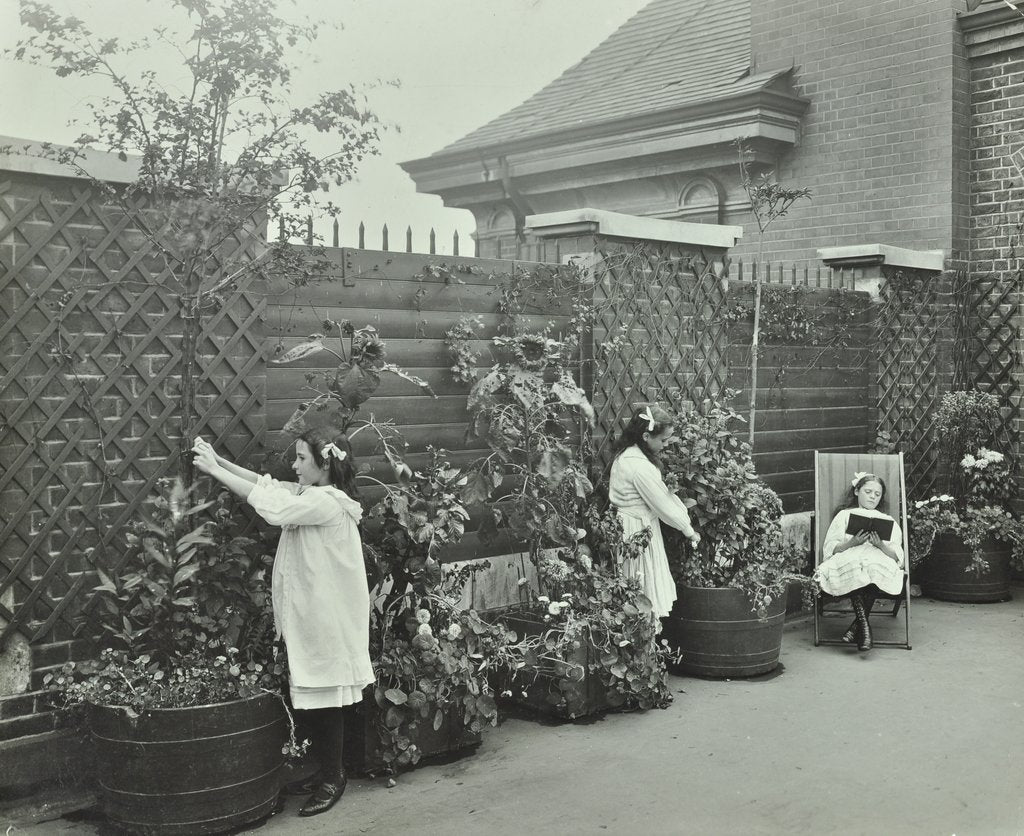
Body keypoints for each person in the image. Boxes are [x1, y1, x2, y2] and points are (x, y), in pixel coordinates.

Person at [191, 428, 373, 817]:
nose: (294, 464)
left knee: (328, 697)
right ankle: (326, 769)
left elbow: (272, 505)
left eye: (302, 458)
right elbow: (266, 485)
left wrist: (215, 471)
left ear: (325, 464)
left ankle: (333, 777)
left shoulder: (328, 502)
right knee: (318, 694)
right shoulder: (313, 494)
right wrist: (218, 462)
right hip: (315, 612)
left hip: (329, 616)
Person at [607, 404, 700, 621]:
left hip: (628, 529)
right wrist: (689, 531)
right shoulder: (640, 467)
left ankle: (642, 645)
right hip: (637, 533)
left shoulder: (626, 456)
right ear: (646, 436)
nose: (666, 445)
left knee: (633, 589)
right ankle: (645, 646)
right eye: (664, 440)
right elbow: (664, 505)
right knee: (643, 590)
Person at [815, 471, 905, 651]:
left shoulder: (888, 520)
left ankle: (859, 627)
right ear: (857, 491)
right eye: (868, 491)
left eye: (877, 494)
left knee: (872, 567)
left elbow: (897, 555)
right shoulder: (844, 515)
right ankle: (864, 628)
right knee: (857, 566)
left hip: (877, 556)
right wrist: (852, 542)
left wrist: (881, 546)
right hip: (849, 554)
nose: (872, 497)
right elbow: (831, 547)